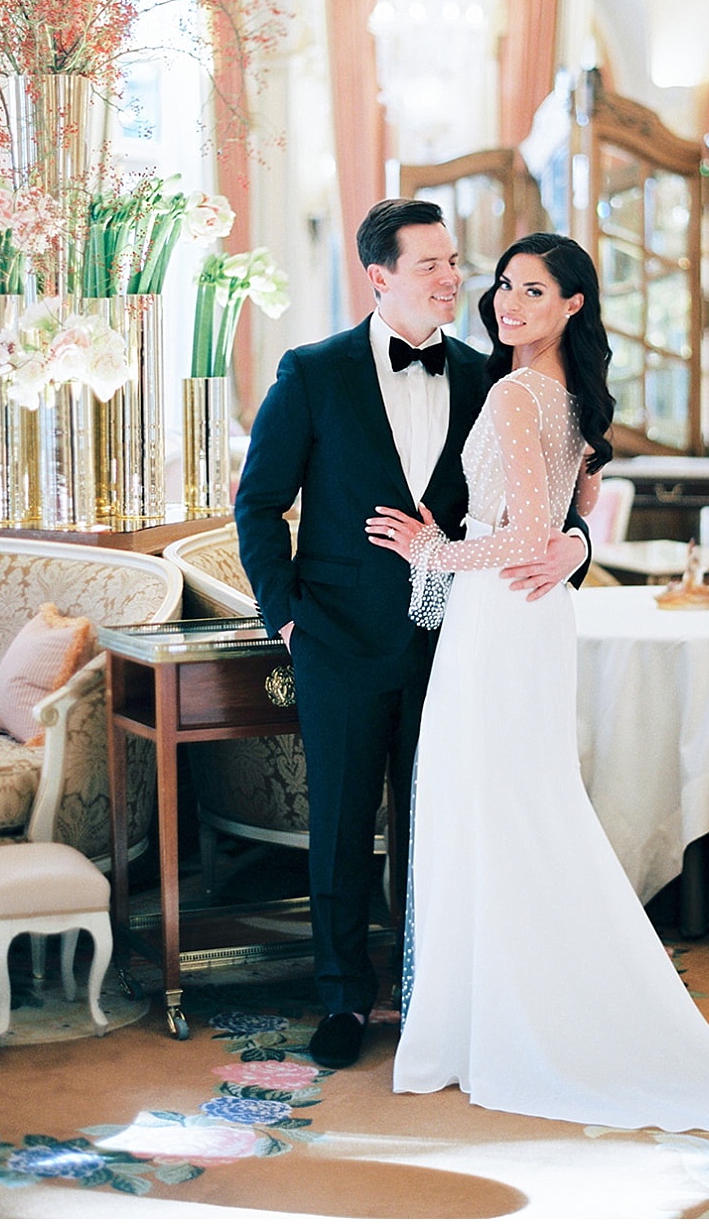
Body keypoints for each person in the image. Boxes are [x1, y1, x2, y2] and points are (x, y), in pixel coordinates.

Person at [367, 233, 709, 1132]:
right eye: (505, 285)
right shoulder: (566, 397)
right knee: (518, 804)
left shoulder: (518, 392)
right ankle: (507, 1008)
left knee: (496, 806)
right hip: (525, 618)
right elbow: (568, 516)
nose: (508, 303)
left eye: (535, 290)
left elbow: (523, 536)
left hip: (503, 616)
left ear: (573, 305)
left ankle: (499, 1020)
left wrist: (432, 549)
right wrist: (535, 538)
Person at [235, 200, 588, 1071]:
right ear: (380, 275)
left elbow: (544, 503)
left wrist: (577, 548)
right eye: (430, 264)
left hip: (462, 642)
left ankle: (434, 990)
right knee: (344, 824)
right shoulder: (312, 372)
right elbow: (258, 502)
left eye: (454, 260)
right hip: (340, 640)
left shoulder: (487, 376)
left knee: (447, 824)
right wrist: (285, 614)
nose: (452, 278)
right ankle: (344, 999)